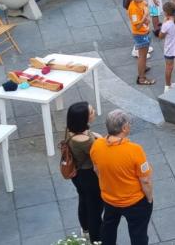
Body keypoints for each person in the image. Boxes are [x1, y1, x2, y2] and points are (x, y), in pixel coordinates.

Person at [89, 109, 154, 245]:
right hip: (135, 202)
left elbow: (96, 169)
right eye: (129, 124)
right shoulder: (135, 150)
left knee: (108, 229)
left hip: (110, 199)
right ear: (124, 128)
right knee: (138, 234)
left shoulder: (96, 146)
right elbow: (145, 180)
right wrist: (149, 198)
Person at [65, 102, 103, 244]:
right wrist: (101, 140)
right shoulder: (85, 141)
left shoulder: (71, 130)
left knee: (84, 200)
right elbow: (100, 154)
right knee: (95, 208)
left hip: (78, 173)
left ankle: (85, 229)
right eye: (91, 112)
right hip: (89, 177)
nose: (94, 113)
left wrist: (94, 135)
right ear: (84, 118)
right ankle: (97, 239)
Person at [127, 0, 154, 85]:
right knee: (142, 56)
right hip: (140, 34)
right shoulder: (133, 9)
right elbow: (137, 26)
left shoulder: (141, 2)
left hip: (145, 31)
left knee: (144, 53)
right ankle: (141, 78)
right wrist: (145, 16)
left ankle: (143, 68)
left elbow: (145, 5)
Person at [158, 1, 175, 94]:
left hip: (169, 49)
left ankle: (167, 86)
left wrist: (164, 22)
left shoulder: (166, 24)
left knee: (169, 67)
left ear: (166, 13)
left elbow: (160, 36)